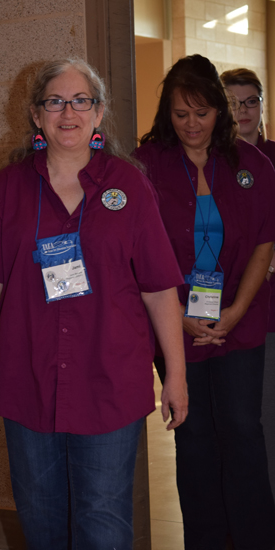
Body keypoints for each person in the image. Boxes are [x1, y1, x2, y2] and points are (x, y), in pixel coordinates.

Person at [0, 58, 188, 550]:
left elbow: (159, 288)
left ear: (99, 113)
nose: (68, 112)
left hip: (110, 382)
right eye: (55, 101)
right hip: (27, 382)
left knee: (104, 525)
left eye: (81, 101)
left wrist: (177, 375)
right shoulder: (8, 189)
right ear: (37, 115)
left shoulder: (129, 186)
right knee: (42, 524)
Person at [133, 54, 275, 550]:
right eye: (180, 114)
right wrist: (177, 314)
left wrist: (235, 312)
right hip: (174, 324)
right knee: (192, 434)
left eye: (202, 113)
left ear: (220, 110)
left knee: (242, 429)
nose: (192, 124)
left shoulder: (252, 165)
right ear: (166, 113)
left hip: (240, 319)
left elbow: (264, 243)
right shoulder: (145, 167)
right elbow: (138, 250)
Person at [221, 67, 275, 501]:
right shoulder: (210, 162)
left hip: (269, 306)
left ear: (262, 105)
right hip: (231, 311)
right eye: (232, 102)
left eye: (250, 101)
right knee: (245, 420)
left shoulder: (272, 158)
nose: (243, 111)